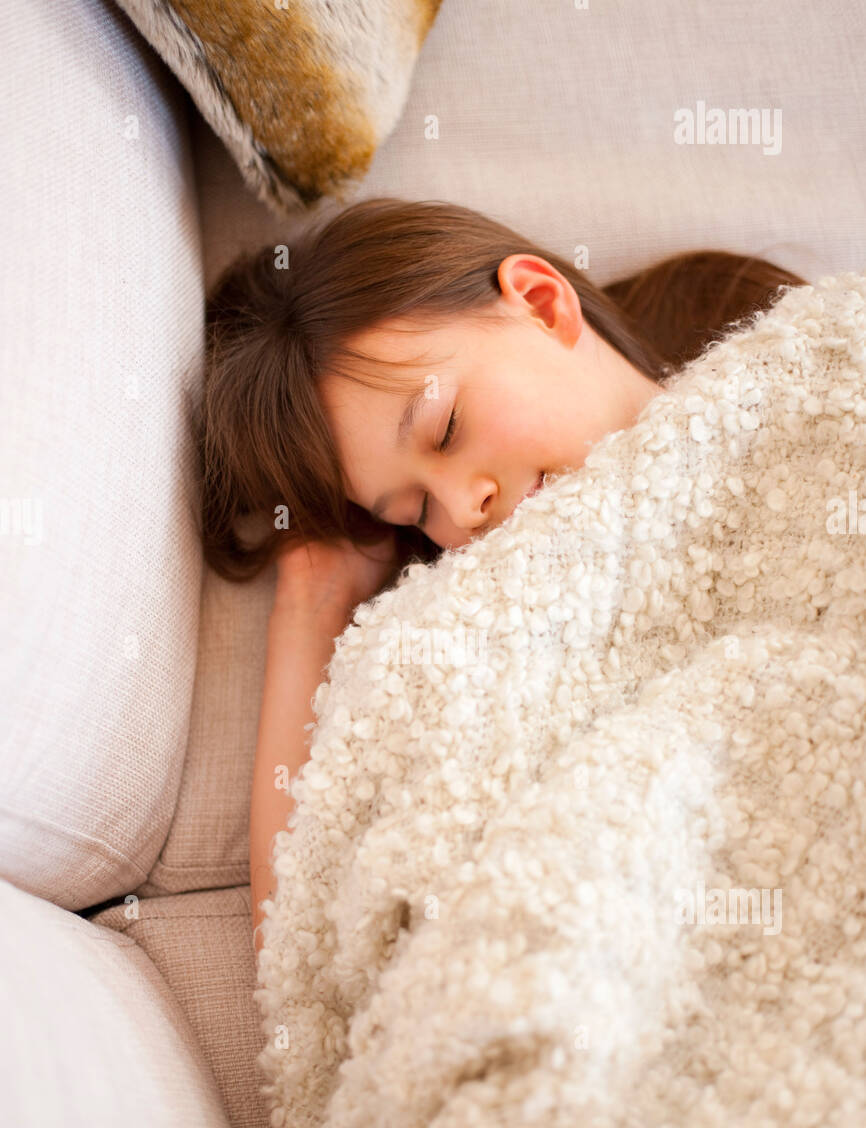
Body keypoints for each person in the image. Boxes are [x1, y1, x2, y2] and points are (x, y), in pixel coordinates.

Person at [195, 197, 805, 952]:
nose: (464, 508)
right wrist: (311, 606)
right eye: (414, 508)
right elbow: (302, 952)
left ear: (543, 304)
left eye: (445, 429)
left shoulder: (786, 366)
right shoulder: (468, 629)